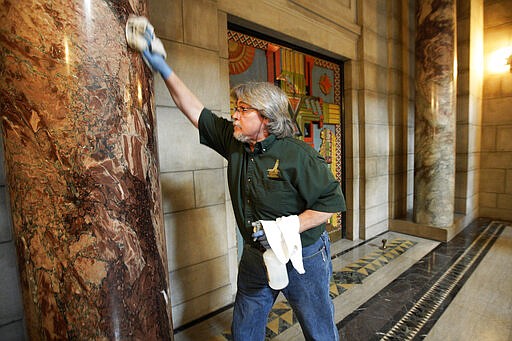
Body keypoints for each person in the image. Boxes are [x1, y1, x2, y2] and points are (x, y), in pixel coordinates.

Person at [140, 25, 346, 341]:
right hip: (256, 254)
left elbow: (330, 205)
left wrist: (285, 227)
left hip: (301, 255)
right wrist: (163, 68)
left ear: (266, 118)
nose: (235, 115)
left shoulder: (298, 155)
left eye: (243, 110)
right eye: (236, 108)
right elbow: (193, 109)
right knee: (245, 329)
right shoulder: (235, 142)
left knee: (318, 329)